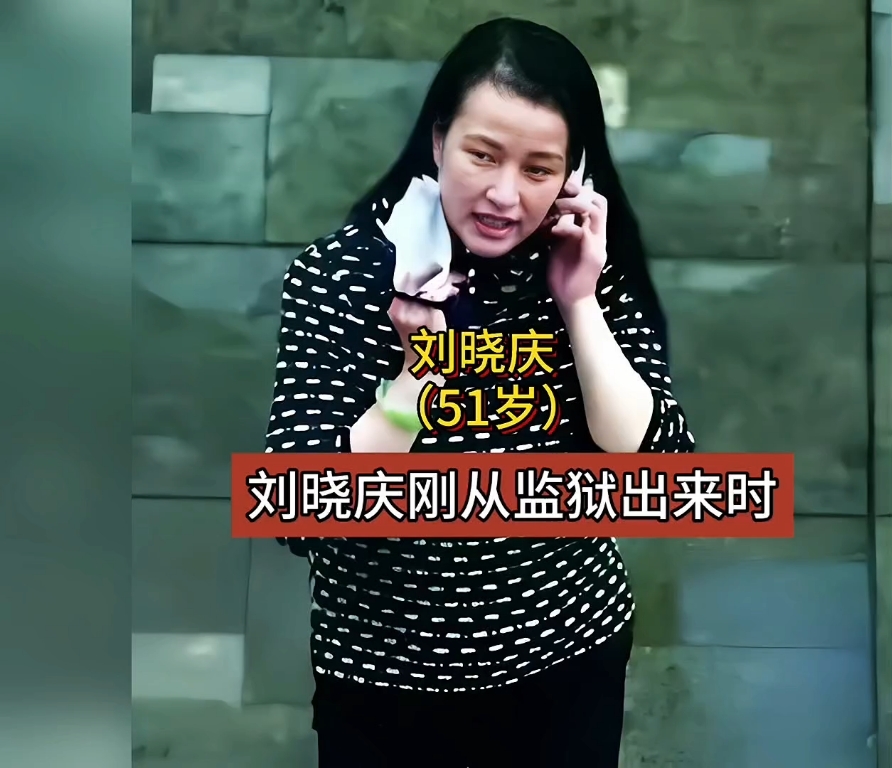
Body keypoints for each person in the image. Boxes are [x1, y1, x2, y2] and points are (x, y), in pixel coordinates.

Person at [265, 17, 695, 768]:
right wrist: (419, 373)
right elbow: (299, 510)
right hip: (382, 676)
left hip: (565, 658)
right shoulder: (339, 275)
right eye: (483, 155)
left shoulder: (590, 270)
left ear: (573, 176)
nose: (504, 194)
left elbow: (661, 470)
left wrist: (578, 302)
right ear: (439, 142)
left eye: (538, 169)